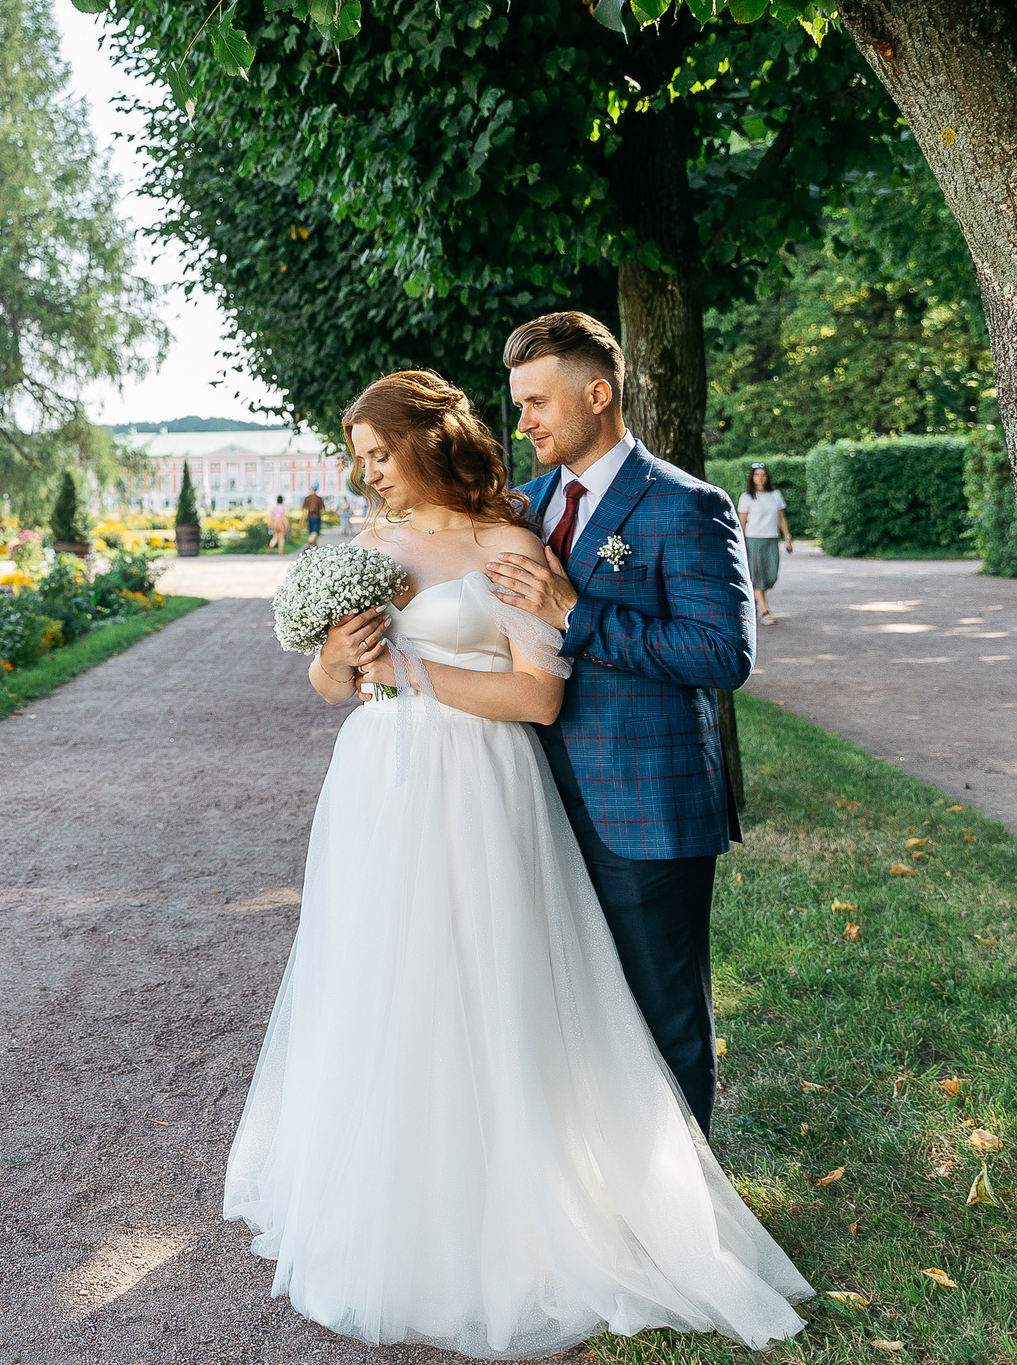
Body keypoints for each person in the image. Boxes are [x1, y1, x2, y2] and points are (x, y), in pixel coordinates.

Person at [224, 366, 807, 1357]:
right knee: (388, 990)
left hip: (479, 785)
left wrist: (406, 668)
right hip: (377, 788)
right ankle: (401, 1200)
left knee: (491, 985)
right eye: (358, 460)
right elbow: (338, 687)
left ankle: (558, 1205)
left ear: (427, 441)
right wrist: (342, 661)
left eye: (381, 455)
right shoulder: (365, 545)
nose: (370, 477)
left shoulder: (507, 542)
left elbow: (536, 698)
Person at [483, 311, 754, 1132]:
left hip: (646, 808)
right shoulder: (521, 508)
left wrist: (578, 612)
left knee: (664, 1018)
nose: (521, 422)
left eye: (537, 402)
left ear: (597, 393)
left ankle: (690, 1218)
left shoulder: (685, 506)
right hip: (530, 804)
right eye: (518, 403)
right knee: (571, 1015)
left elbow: (722, 654)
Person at [736, 465, 793, 625]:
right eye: (757, 475)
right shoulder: (747, 497)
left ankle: (754, 603)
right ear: (752, 478)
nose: (760, 477)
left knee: (770, 575)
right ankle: (765, 611)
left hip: (771, 539)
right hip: (753, 539)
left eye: (763, 475)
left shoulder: (775, 495)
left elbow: (782, 518)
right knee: (757, 575)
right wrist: (740, 543)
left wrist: (787, 537)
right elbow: (742, 521)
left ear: (767, 477)